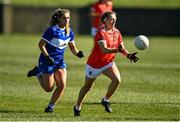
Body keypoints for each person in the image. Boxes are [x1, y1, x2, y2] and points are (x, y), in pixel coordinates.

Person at [73, 11, 139, 116]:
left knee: (117, 80)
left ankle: (105, 100)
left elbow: (121, 48)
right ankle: (77, 106)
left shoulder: (117, 32)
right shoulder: (101, 32)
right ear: (105, 20)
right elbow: (104, 49)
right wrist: (117, 50)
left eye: (115, 20)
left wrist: (128, 55)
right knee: (87, 87)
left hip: (108, 62)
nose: (113, 21)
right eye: (111, 19)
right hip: (94, 64)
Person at [27, 8, 84, 113]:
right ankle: (38, 72)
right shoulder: (52, 30)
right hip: (46, 60)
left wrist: (78, 53)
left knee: (62, 85)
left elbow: (72, 47)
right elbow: (41, 45)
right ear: (58, 19)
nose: (66, 20)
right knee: (49, 88)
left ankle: (50, 107)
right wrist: (48, 57)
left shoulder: (69, 31)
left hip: (59, 62)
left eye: (68, 18)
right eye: (64, 18)